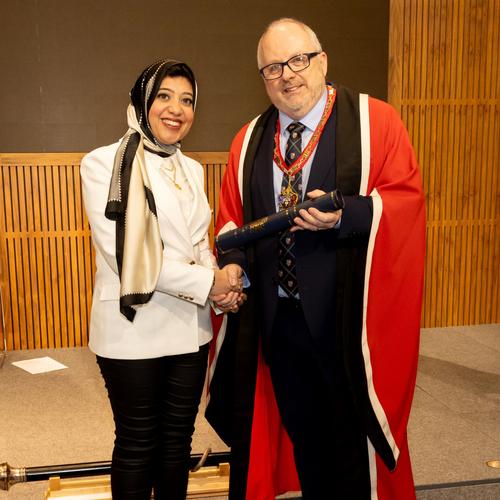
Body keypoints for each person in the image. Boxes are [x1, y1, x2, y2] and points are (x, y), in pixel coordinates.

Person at [206, 19, 425, 500]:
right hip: (278, 323)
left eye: (298, 60)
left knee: (350, 446)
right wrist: (235, 263)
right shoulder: (248, 141)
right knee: (304, 437)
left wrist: (346, 212)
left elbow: (405, 203)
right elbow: (230, 222)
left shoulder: (375, 122)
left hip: (347, 321)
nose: (287, 75)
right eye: (272, 68)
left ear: (322, 61)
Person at [81, 59, 242, 500]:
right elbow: (127, 255)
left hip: (189, 331)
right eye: (165, 97)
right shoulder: (102, 163)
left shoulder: (190, 167)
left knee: (177, 446)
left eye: (187, 100)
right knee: (137, 445)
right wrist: (207, 284)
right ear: (142, 101)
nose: (177, 109)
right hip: (132, 331)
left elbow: (197, 243)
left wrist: (221, 279)